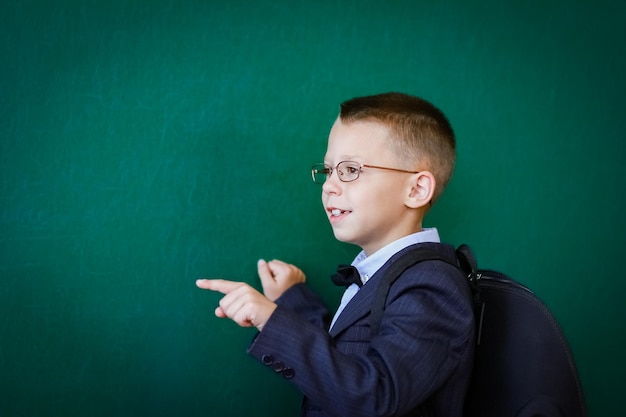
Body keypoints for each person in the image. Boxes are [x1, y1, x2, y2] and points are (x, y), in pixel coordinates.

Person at [196, 92, 475, 417]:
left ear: (416, 190)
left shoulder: (434, 286)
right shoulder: (385, 272)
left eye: (351, 170)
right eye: (328, 170)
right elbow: (347, 354)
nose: (329, 186)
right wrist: (293, 299)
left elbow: (374, 395)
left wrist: (272, 321)